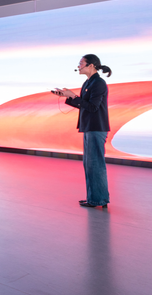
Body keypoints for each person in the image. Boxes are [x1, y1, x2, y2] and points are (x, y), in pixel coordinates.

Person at [54, 55, 112, 208]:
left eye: (81, 63)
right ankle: (94, 198)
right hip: (89, 127)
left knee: (95, 164)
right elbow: (84, 104)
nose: (78, 66)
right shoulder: (88, 82)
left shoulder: (98, 83)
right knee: (90, 164)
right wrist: (68, 97)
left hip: (96, 127)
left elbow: (92, 107)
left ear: (91, 65)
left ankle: (98, 200)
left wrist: (73, 96)